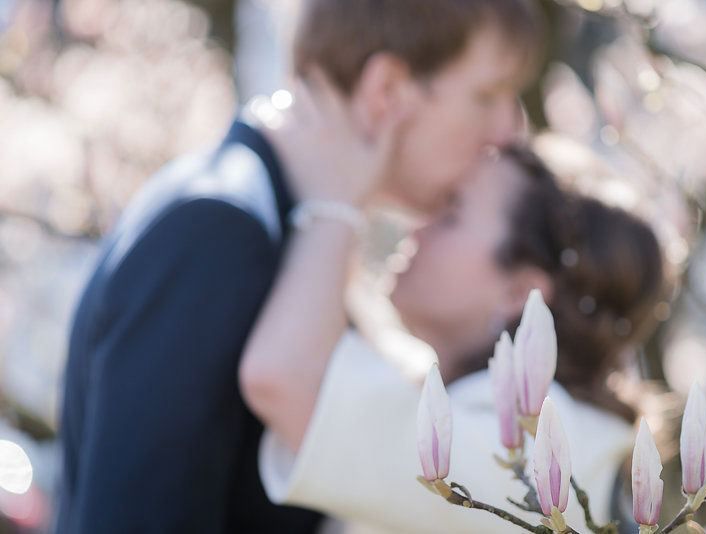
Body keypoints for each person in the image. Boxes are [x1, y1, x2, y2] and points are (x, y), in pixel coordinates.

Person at [55, 1, 540, 532]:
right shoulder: (218, 233)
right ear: (388, 90)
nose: (507, 131)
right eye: (487, 95)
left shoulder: (285, 230)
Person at [240, 146, 665, 533]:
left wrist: (335, 197)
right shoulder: (529, 423)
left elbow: (285, 379)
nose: (418, 227)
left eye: (450, 213)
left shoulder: (536, 457)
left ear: (518, 293)